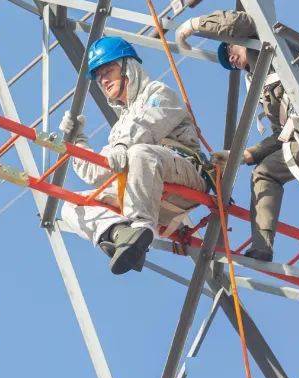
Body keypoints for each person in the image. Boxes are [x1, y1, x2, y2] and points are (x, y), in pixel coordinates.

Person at [175, 10, 299, 292]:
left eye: (229, 49)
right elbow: (279, 135)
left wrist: (195, 26)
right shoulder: (264, 89)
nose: (230, 58)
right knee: (265, 173)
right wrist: (244, 155)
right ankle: (262, 248)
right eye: (228, 62)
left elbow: (239, 22)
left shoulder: (263, 42)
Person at [57, 37, 207, 275]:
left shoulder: (158, 92)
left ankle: (140, 228)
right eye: (99, 76)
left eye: (109, 70)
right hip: (148, 195)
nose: (103, 80)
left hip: (183, 176)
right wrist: (77, 141)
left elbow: (148, 125)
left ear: (129, 67)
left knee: (139, 153)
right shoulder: (120, 127)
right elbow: (96, 172)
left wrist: (122, 146)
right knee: (70, 205)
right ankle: (122, 236)